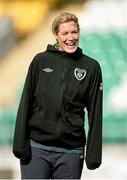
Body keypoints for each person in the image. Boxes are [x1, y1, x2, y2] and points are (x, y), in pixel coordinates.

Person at [13, 12, 103, 179]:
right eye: (65, 33)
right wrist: (19, 143)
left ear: (79, 32)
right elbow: (26, 101)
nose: (71, 38)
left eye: (74, 32)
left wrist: (94, 154)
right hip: (37, 149)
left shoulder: (91, 67)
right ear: (56, 35)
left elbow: (96, 113)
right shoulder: (40, 61)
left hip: (71, 152)